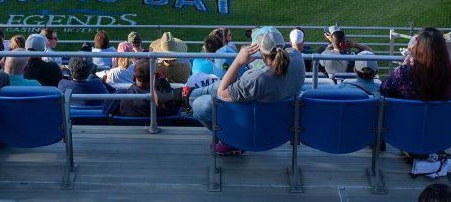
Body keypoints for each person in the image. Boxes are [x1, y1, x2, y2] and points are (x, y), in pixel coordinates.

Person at [166, 26, 304, 156]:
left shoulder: (256, 79)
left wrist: (238, 61)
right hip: (279, 131)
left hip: (251, 131)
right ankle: (181, 96)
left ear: (261, 52)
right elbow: (291, 53)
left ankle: (231, 143)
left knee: (199, 104)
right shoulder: (297, 58)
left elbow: (222, 92)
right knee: (217, 86)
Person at [381, 27, 451, 101]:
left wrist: (402, 68)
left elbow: (384, 89)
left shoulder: (402, 75)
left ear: (418, 50)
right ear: (443, 52)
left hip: (408, 115)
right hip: (441, 116)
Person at [105, 60, 178, 118]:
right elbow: (177, 109)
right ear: (154, 77)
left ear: (134, 77)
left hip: (128, 134)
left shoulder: (121, 96)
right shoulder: (166, 101)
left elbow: (106, 112)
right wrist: (165, 85)